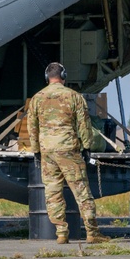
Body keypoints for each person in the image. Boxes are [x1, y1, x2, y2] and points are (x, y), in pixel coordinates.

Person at [27, 62, 109, 245]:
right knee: (81, 191)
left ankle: (61, 232)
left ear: (46, 77)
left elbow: (32, 127)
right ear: (64, 75)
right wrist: (87, 147)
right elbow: (84, 125)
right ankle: (92, 232)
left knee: (53, 192)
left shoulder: (37, 98)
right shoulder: (74, 97)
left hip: (47, 151)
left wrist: (36, 150)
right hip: (69, 150)